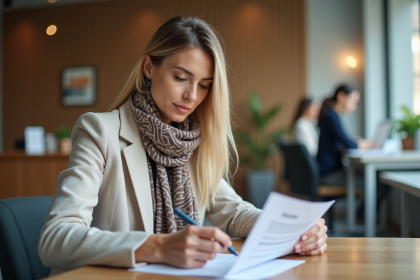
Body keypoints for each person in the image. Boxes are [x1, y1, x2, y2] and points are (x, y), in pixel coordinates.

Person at [38, 16, 328, 277]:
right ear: (149, 67)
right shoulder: (99, 130)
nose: (191, 96)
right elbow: (55, 239)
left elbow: (234, 212)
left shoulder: (191, 140)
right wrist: (158, 246)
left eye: (204, 85)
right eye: (181, 78)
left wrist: (290, 230)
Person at [317, 84, 375, 184]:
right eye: (353, 101)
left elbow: (345, 139)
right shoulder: (331, 116)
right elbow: (350, 144)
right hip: (330, 174)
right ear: (341, 97)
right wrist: (366, 144)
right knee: (374, 182)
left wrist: (360, 142)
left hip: (329, 171)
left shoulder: (332, 114)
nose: (354, 106)